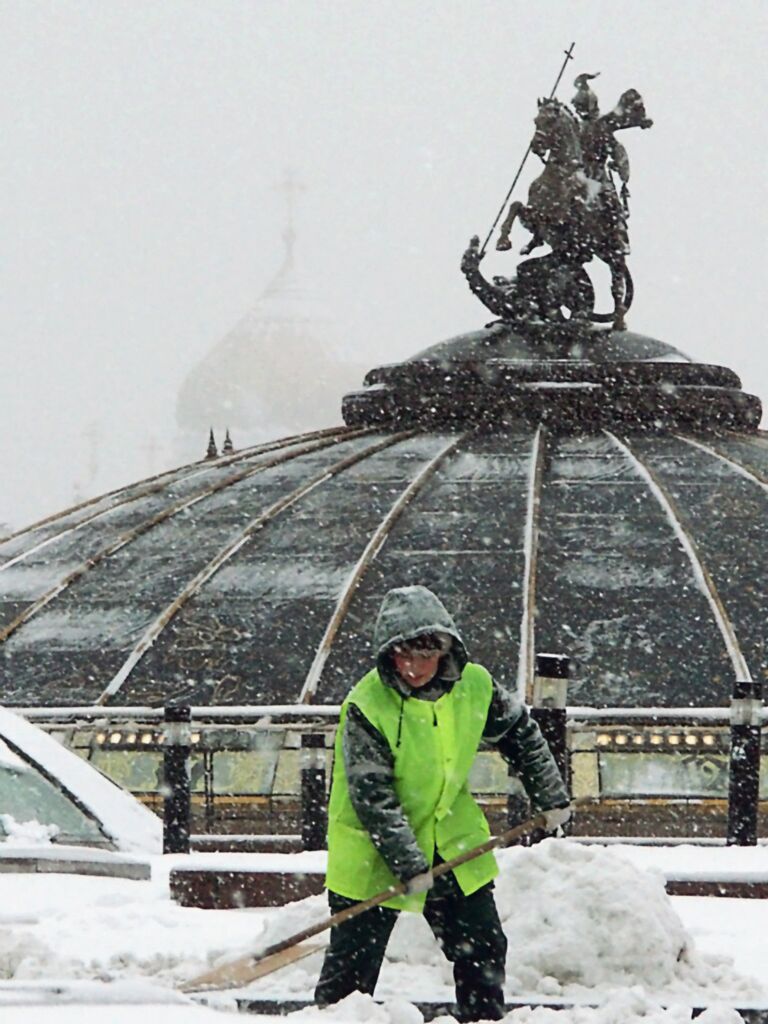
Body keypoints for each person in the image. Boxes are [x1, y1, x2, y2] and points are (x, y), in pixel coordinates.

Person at [315, 585, 571, 1022]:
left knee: (482, 950)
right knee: (351, 975)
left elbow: (521, 735)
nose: (413, 668)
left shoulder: (475, 685)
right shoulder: (366, 705)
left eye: (424, 656)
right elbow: (373, 795)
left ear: (444, 650)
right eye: (402, 656)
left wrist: (551, 796)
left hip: (451, 839)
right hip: (372, 853)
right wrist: (407, 863)